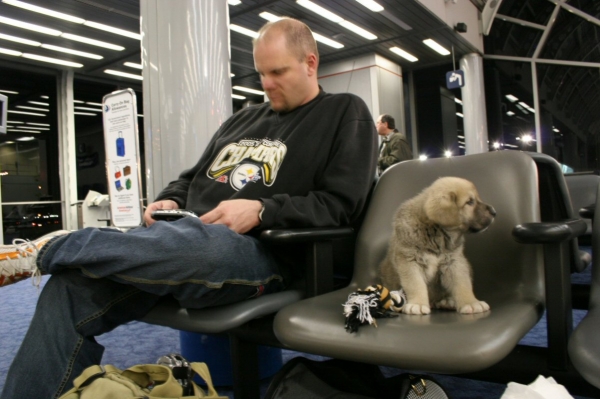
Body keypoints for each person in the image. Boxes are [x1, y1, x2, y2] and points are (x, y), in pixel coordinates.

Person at [0, 18, 377, 399]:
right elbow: (191, 176)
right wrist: (172, 198)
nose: (266, 84)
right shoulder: (244, 118)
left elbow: (341, 204)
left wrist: (263, 210)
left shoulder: (345, 111)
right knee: (68, 289)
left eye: (277, 72)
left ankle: (45, 250)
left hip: (262, 253)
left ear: (310, 63)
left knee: (207, 244)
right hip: (176, 245)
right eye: (261, 73)